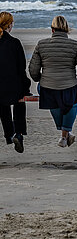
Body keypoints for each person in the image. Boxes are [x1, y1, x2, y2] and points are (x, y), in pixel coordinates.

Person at [29, 15, 77, 148]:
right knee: (74, 99)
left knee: (54, 100)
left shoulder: (41, 44)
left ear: (52, 30)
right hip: (69, 86)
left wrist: (39, 79)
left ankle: (64, 134)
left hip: (47, 87)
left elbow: (33, 69)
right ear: (67, 29)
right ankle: (65, 135)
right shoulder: (74, 45)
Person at [0, 11, 31, 153]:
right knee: (19, 100)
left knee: (3, 106)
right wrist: (26, 86)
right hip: (13, 86)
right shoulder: (15, 43)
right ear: (9, 25)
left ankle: (10, 135)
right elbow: (21, 68)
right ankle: (18, 133)